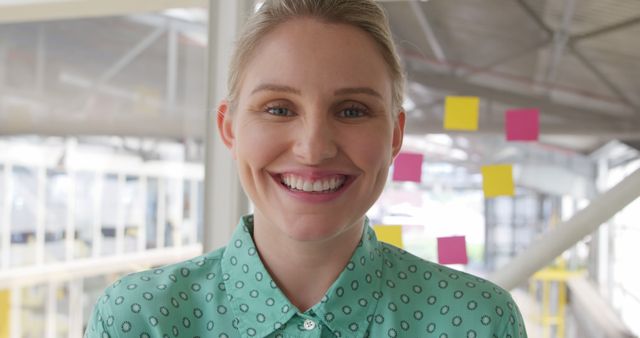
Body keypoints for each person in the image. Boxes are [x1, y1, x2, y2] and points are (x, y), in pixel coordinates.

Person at [84, 0, 528, 337]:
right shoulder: (141, 319)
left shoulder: (477, 321)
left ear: (394, 135)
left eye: (352, 111)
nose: (314, 149)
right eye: (279, 109)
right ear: (230, 129)